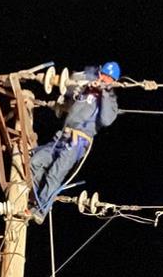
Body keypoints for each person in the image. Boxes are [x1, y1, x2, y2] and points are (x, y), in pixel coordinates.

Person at [29, 61, 121, 223]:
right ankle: (35, 198)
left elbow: (106, 120)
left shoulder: (110, 101)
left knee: (55, 174)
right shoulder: (85, 89)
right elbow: (69, 86)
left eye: (108, 78)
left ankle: (40, 210)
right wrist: (82, 83)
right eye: (103, 75)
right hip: (62, 137)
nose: (103, 78)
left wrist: (105, 92)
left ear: (113, 81)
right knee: (34, 162)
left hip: (78, 142)